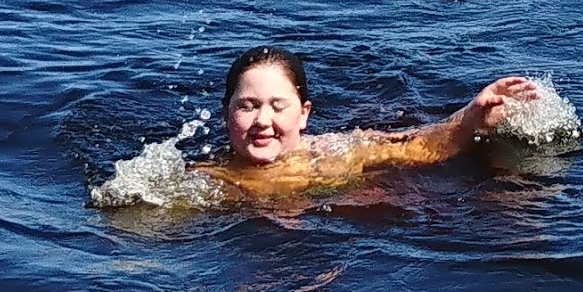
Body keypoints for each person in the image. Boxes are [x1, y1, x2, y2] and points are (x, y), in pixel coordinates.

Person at [206, 45, 560, 192]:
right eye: (247, 106)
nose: (262, 120)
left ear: (304, 115)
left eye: (278, 106)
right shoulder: (207, 179)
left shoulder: (339, 153)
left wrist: (472, 119)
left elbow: (417, 145)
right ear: (226, 114)